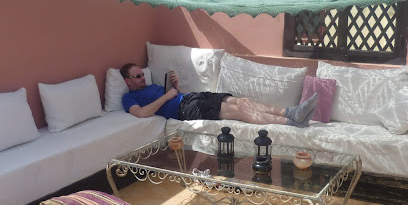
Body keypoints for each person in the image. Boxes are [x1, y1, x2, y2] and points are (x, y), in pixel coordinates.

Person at [120, 63, 318, 127]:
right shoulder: (129, 98)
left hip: (190, 97)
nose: (142, 78)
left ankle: (290, 111)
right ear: (128, 81)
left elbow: (172, 96)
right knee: (239, 110)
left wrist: (175, 88)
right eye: (137, 76)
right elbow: (142, 114)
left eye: (142, 74)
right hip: (185, 110)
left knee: (242, 101)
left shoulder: (151, 86)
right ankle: (291, 123)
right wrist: (167, 96)